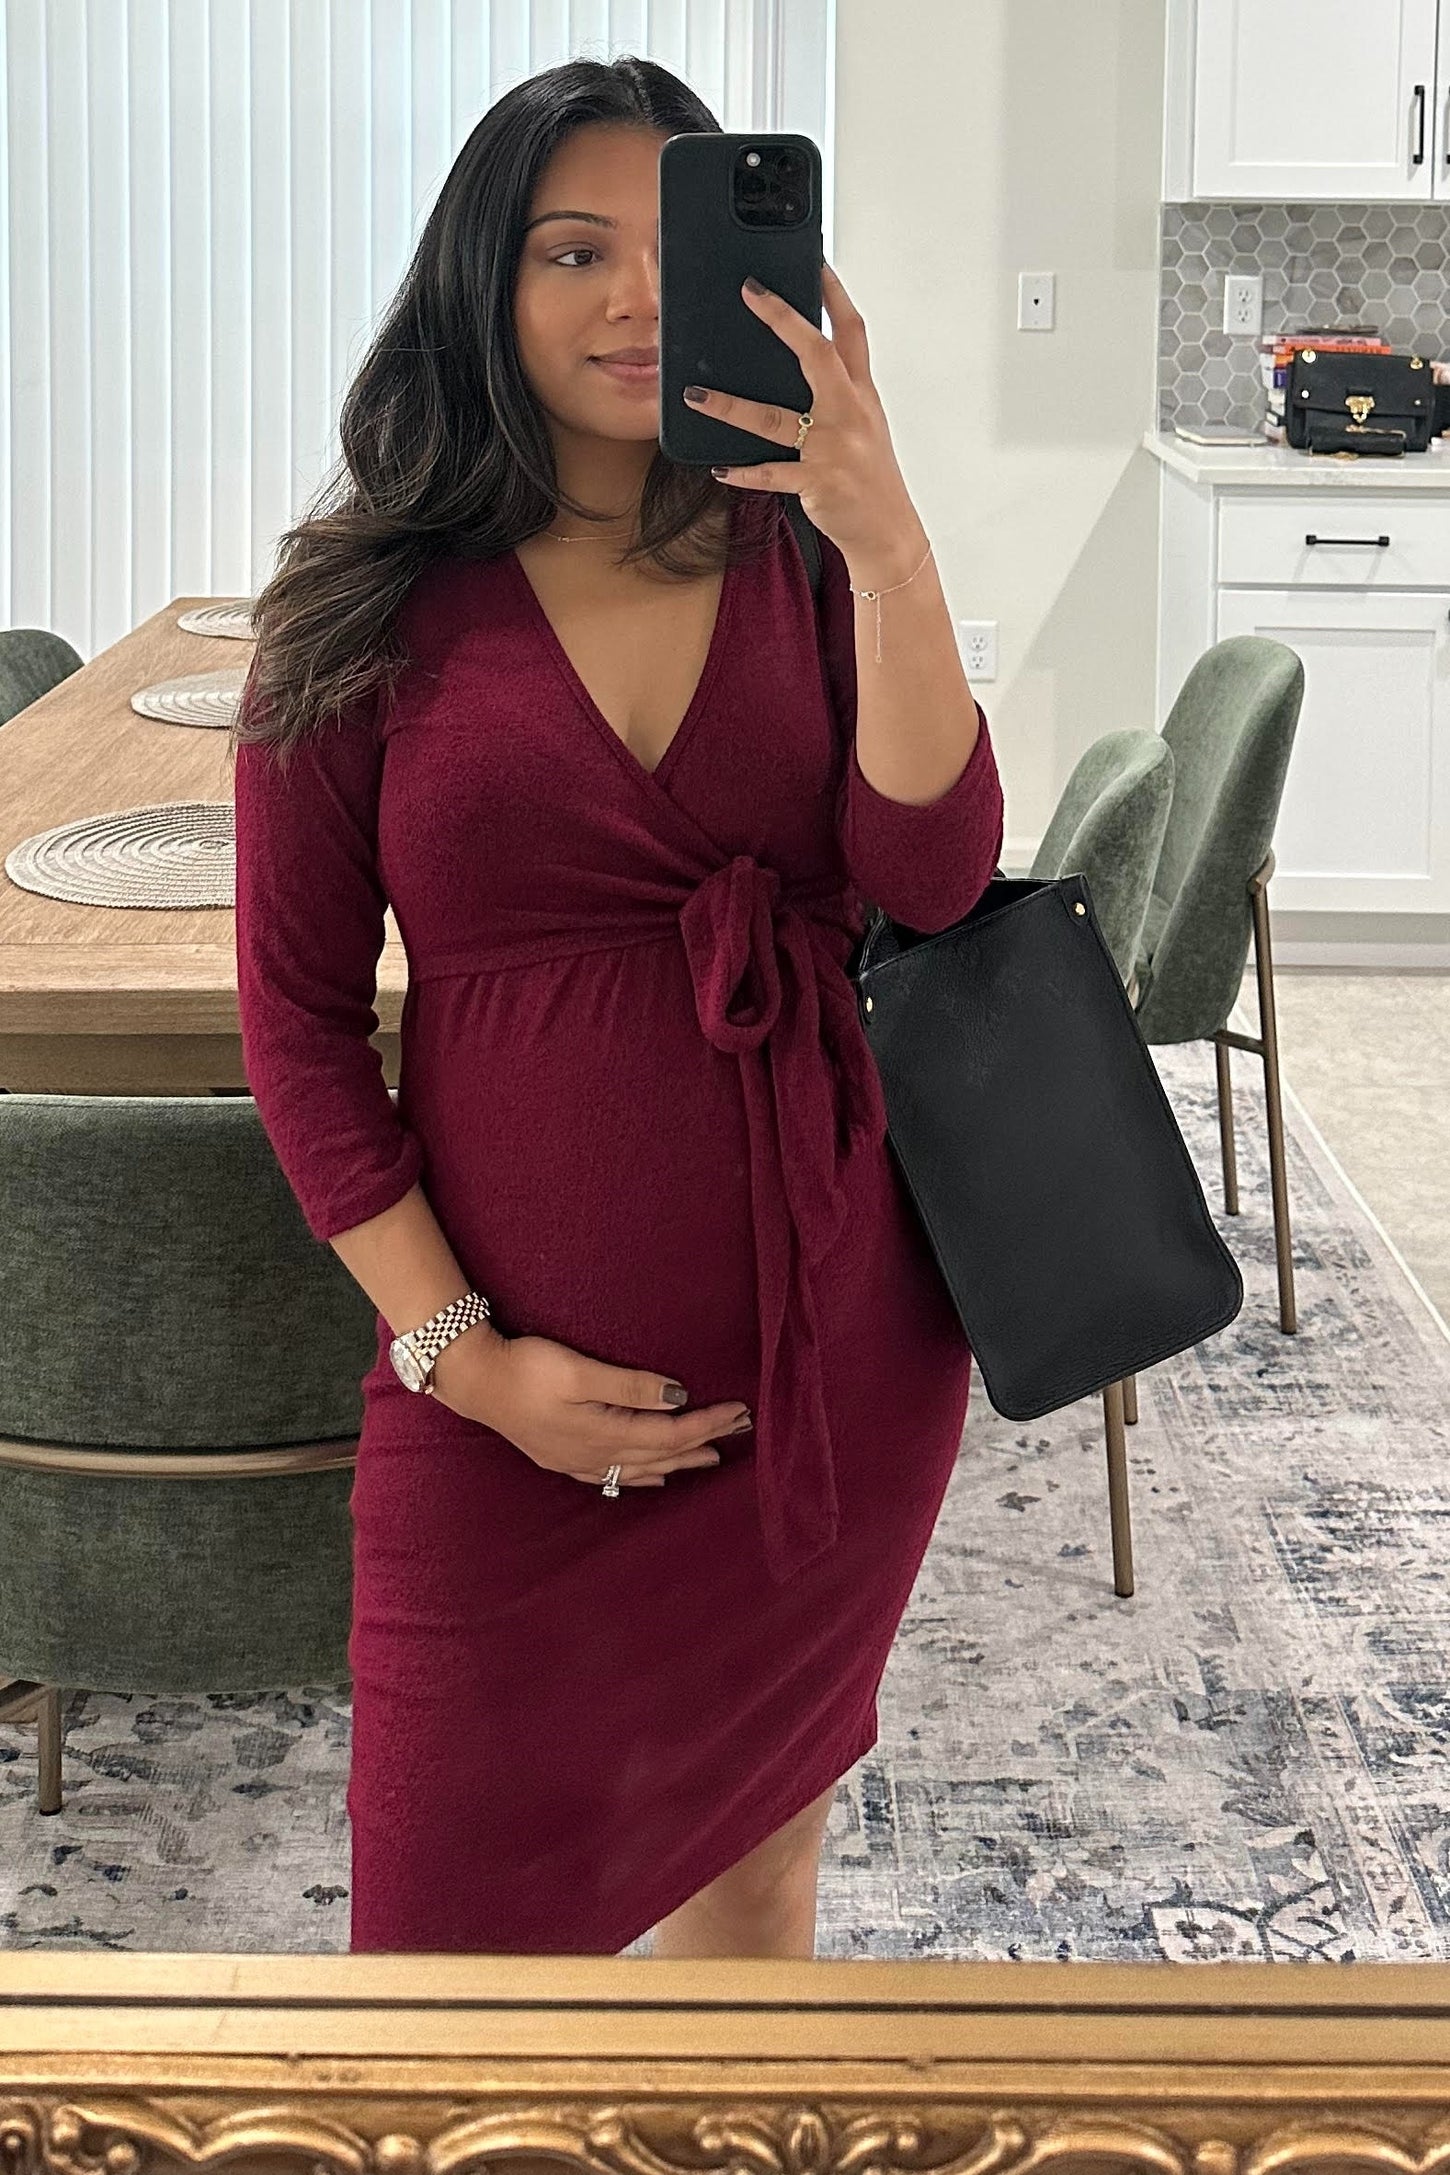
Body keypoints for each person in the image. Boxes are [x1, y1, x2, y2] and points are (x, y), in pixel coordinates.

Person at [229, 52, 1005, 1961]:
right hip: (487, 1395)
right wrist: (462, 1362)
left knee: (756, 1873)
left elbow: (931, 878)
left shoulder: (807, 559)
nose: (636, 297)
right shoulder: (356, 609)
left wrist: (888, 537)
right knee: (438, 1951)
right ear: (483, 283)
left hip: (829, 1363)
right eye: (573, 250)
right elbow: (299, 1024)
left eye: (675, 245)